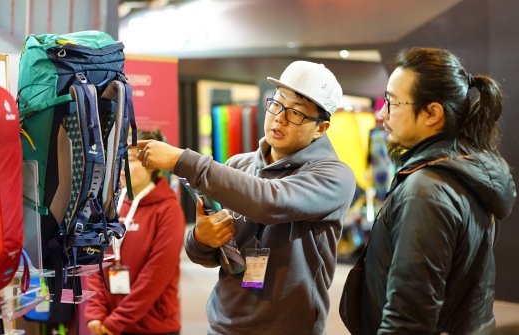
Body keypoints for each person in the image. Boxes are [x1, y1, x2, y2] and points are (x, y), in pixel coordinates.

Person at [135, 61, 356, 334]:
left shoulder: (334, 176)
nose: (279, 118)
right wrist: (202, 239)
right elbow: (203, 255)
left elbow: (270, 202)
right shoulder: (238, 166)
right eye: (276, 104)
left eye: (296, 113)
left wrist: (185, 161)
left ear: (320, 129)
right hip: (224, 325)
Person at [340, 47, 516, 334]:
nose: (383, 114)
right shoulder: (463, 172)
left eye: (392, 103)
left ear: (432, 113)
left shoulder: (427, 192)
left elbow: (408, 320)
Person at [85, 129, 186, 335]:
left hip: (153, 327)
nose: (122, 167)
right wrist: (96, 312)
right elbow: (94, 258)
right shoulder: (110, 205)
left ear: (152, 164)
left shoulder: (168, 210)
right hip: (110, 324)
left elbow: (155, 276)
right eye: (120, 157)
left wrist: (116, 321)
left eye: (130, 159)